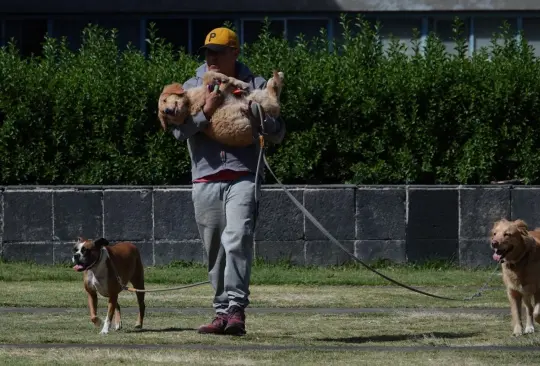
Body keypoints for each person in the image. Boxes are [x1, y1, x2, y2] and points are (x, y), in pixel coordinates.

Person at [159, 27, 286, 336]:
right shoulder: (190, 86)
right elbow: (176, 131)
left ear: (235, 53)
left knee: (239, 237)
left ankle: (236, 310)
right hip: (204, 177)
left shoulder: (254, 84)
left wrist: (256, 112)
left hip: (245, 174)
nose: (211, 57)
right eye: (207, 52)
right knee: (214, 246)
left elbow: (278, 133)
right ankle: (220, 312)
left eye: (217, 51)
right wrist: (206, 112)